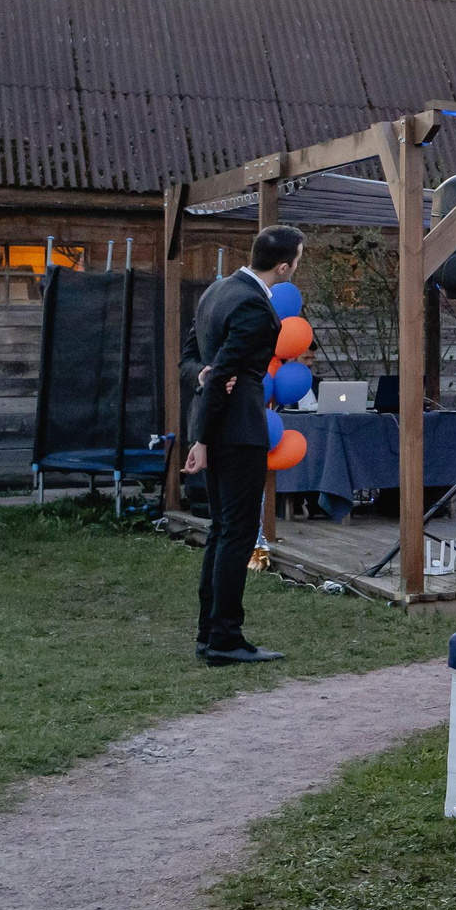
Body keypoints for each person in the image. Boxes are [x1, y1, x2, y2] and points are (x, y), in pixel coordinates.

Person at [178, 224, 304, 666]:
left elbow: (191, 359)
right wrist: (202, 438)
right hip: (239, 430)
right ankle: (225, 639)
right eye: (298, 260)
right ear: (285, 265)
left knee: (221, 531)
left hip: (220, 425)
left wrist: (203, 376)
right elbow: (222, 369)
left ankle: (208, 633)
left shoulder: (216, 291)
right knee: (236, 533)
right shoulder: (252, 303)